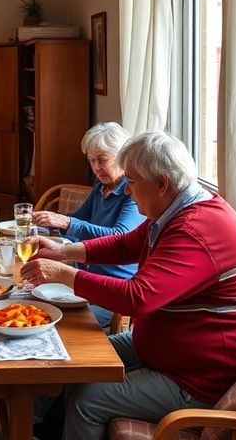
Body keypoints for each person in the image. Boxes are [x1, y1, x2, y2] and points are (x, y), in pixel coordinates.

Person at [21, 131, 236, 439]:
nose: (126, 191)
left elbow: (136, 298)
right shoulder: (179, 208)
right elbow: (126, 244)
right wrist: (64, 251)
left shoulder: (194, 231)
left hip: (201, 377)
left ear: (161, 184)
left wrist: (61, 272)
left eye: (131, 181)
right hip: (164, 347)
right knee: (73, 359)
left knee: (88, 399)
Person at [32, 122, 145, 328]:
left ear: (121, 156)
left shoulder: (131, 193)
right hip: (83, 277)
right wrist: (45, 228)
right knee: (32, 306)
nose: (95, 167)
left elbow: (119, 235)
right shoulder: (102, 187)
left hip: (112, 287)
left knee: (52, 321)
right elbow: (76, 221)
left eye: (102, 160)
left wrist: (66, 222)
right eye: (91, 160)